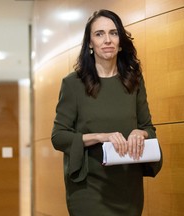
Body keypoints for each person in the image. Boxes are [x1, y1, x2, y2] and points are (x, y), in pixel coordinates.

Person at [51, 9, 162, 216]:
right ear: (90, 43)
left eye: (113, 33)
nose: (107, 40)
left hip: (128, 187)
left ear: (120, 41)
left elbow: (148, 127)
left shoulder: (133, 80)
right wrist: (101, 137)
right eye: (99, 34)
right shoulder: (73, 84)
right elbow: (58, 136)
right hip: (89, 189)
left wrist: (142, 133)